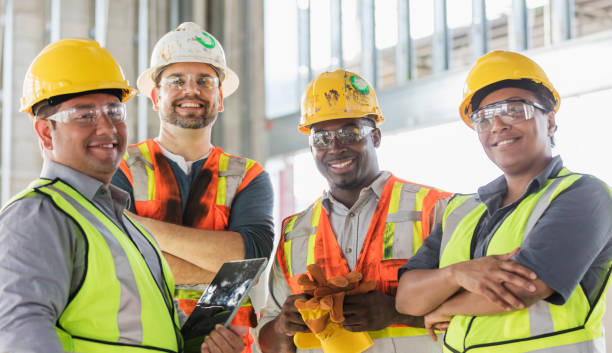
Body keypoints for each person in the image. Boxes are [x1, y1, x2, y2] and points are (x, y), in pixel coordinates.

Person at [0, 38, 245, 353]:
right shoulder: (39, 215)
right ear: (47, 132)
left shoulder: (129, 228)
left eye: (114, 112)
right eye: (85, 115)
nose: (107, 127)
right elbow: (20, 332)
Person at [396, 50, 612, 353]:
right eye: (483, 118)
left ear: (549, 122)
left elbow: (524, 288)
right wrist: (456, 273)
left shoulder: (584, 195)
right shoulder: (460, 210)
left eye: (513, 110)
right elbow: (407, 300)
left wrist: (443, 308)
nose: (497, 125)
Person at [258, 69, 452, 353]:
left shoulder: (435, 209)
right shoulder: (294, 233)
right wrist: (283, 326)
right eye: (321, 137)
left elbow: (477, 308)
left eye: (349, 132)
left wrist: (397, 313)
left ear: (375, 137)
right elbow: (267, 341)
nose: (335, 146)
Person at [111, 22, 274, 351]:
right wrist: (222, 267)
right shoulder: (120, 168)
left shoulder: (249, 176)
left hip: (224, 345)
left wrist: (136, 227)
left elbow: (249, 259)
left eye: (204, 81)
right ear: (156, 97)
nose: (192, 91)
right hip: (138, 342)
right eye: (177, 81)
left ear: (220, 97)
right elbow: (115, 259)